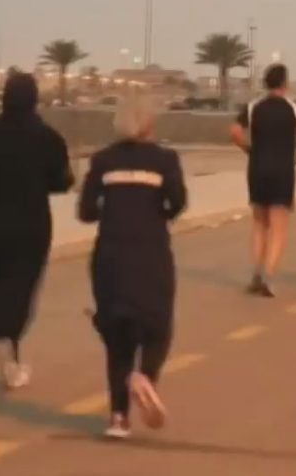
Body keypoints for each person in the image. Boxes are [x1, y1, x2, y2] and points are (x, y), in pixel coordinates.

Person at [78, 98, 187, 438]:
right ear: (150, 124)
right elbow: (178, 202)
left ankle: (118, 419)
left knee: (117, 337)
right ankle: (145, 377)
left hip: (110, 254)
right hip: (150, 252)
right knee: (158, 326)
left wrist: (111, 211)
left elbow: (85, 211)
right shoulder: (165, 160)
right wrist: (159, 213)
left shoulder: (102, 160)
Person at [0, 73, 73, 389]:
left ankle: (3, 342)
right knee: (23, 285)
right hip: (33, 222)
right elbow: (62, 181)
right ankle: (7, 343)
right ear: (34, 100)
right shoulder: (49, 138)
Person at [230, 64, 296, 298]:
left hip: (257, 168)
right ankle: (269, 276)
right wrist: (293, 144)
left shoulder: (253, 107)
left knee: (259, 223)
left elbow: (234, 132)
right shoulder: (294, 109)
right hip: (283, 171)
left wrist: (248, 148)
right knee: (279, 226)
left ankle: (257, 273)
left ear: (266, 83)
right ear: (285, 84)